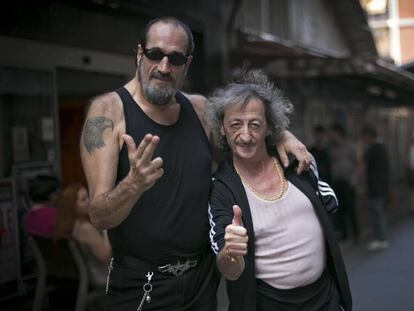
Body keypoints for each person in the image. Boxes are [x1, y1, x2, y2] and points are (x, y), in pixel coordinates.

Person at [80, 16, 311, 311]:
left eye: (175, 59)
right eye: (155, 55)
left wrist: (280, 135)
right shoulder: (107, 111)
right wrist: (132, 186)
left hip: (202, 280)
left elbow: (243, 136)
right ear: (139, 54)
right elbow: (99, 215)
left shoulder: (200, 109)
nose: (164, 67)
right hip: (142, 284)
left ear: (187, 64)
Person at [208, 70, 352, 311]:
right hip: (268, 304)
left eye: (255, 124)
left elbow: (328, 201)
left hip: (325, 298)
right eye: (235, 124)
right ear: (222, 128)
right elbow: (229, 271)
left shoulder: (296, 162)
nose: (245, 135)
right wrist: (231, 252)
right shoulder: (221, 188)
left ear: (268, 128)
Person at [360, 125, 390, 251]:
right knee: (379, 212)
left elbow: (362, 159)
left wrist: (360, 148)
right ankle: (381, 238)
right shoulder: (381, 147)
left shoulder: (375, 148)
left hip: (376, 186)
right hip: (381, 186)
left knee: (377, 213)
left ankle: (381, 239)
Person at [329, 123, 359, 243]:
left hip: (348, 182)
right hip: (336, 182)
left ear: (339, 134)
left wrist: (355, 178)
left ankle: (356, 235)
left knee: (351, 209)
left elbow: (358, 164)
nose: (332, 136)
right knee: (339, 209)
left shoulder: (350, 147)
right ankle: (344, 234)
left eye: (334, 134)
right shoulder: (330, 148)